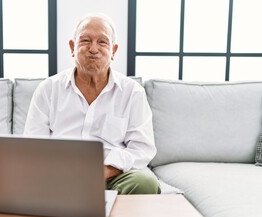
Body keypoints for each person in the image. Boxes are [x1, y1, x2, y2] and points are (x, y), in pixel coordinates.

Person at [24, 13, 160, 194]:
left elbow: (141, 149)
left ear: (114, 50)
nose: (93, 49)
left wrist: (102, 172)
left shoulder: (132, 93)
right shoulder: (48, 89)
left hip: (112, 176)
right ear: (72, 47)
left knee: (145, 182)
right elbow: (34, 146)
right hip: (59, 174)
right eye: (85, 41)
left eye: (102, 42)